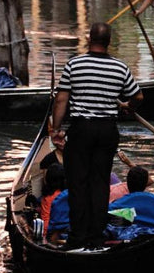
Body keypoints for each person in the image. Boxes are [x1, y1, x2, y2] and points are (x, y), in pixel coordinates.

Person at [51, 22, 143, 249]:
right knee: (100, 183)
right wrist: (128, 106)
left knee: (78, 183)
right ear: (109, 42)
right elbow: (139, 97)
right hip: (106, 131)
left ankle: (77, 239)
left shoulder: (75, 64)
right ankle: (96, 238)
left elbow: (62, 99)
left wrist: (56, 129)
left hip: (81, 130)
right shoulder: (120, 68)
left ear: (89, 39)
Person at [39, 163, 66, 236]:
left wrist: (44, 235)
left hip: (55, 232)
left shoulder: (47, 198)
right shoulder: (70, 193)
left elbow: (45, 221)